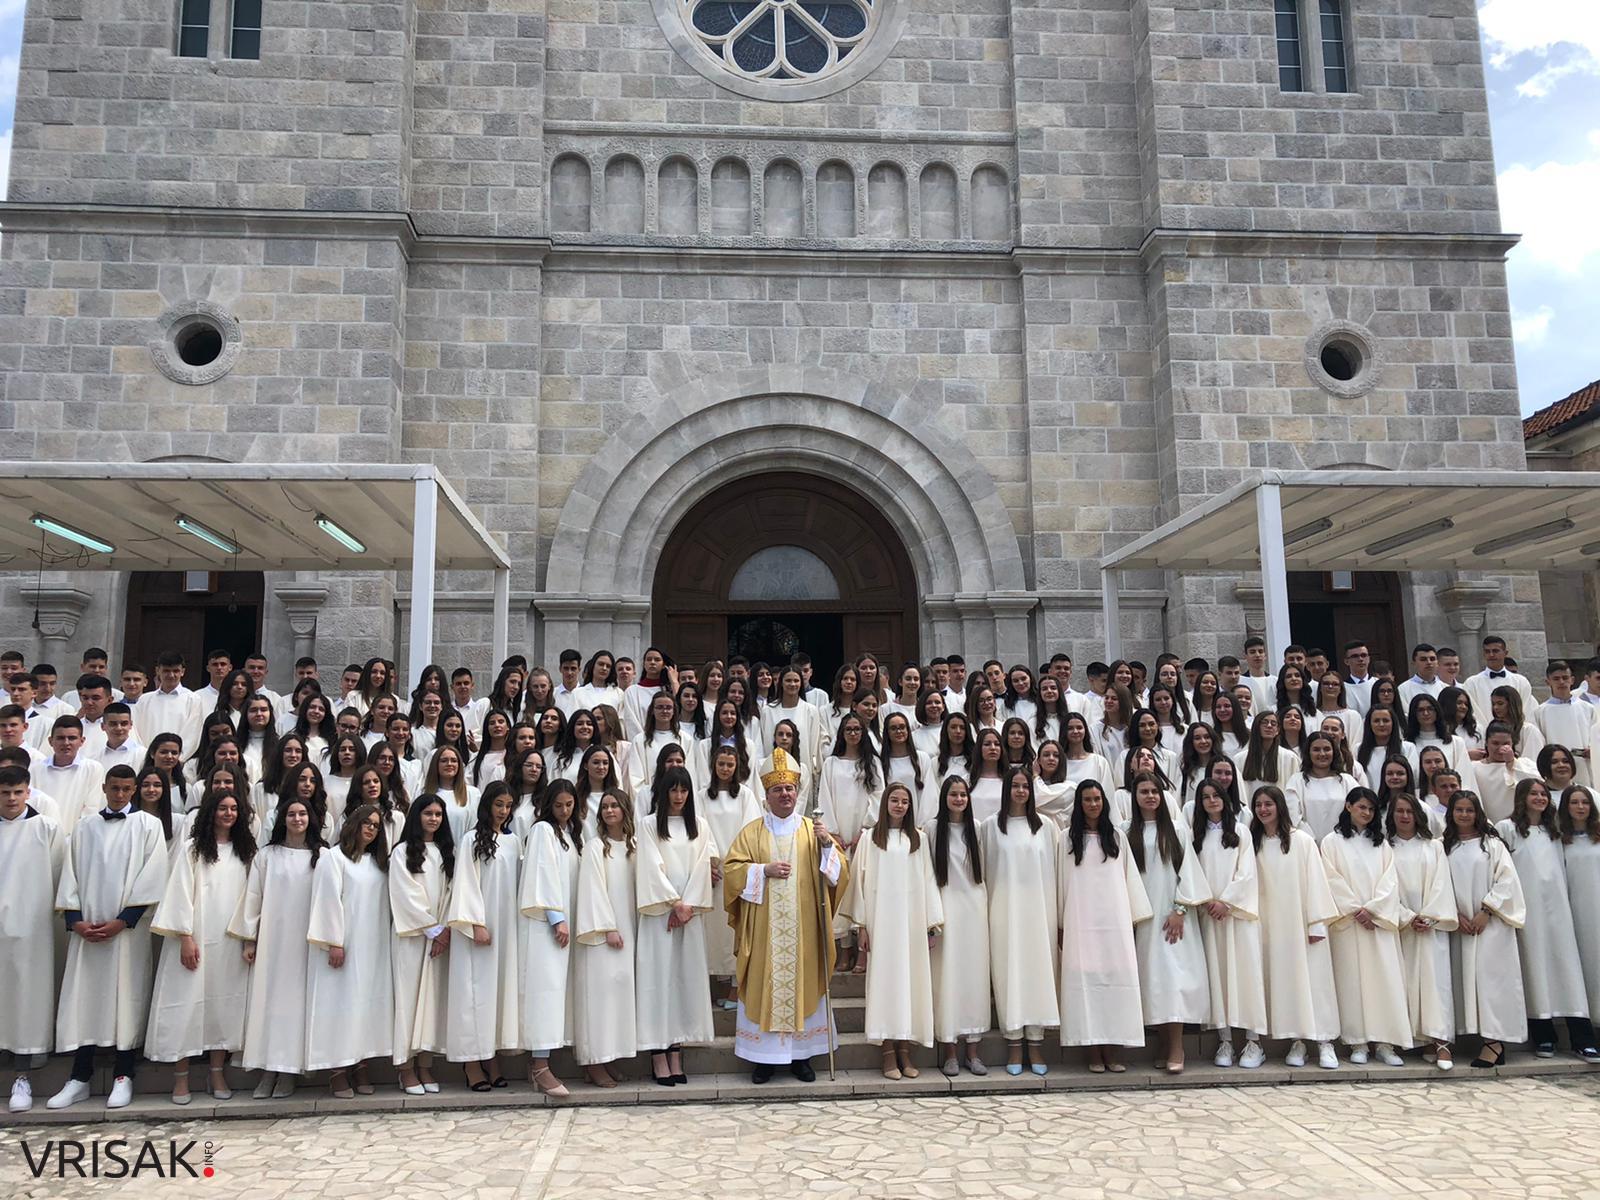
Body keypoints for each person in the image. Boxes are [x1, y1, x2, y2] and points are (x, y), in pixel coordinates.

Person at [722, 747, 849, 1084]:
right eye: (777, 789)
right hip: (765, 931)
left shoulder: (813, 829)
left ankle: (801, 1058)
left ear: (797, 792)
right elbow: (732, 870)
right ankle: (762, 1059)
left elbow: (838, 874)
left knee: (803, 984)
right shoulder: (752, 832)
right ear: (766, 795)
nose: (784, 794)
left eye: (789, 789)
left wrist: (826, 846)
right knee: (766, 984)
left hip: (804, 928)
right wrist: (762, 870)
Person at [47, 765, 169, 1110]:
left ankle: (123, 1074)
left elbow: (154, 875)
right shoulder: (85, 827)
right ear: (104, 787)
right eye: (114, 788)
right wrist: (76, 920)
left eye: (126, 789)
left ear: (135, 790)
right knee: (85, 999)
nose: (119, 795)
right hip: (87, 930)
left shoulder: (148, 825)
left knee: (125, 1000)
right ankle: (79, 1077)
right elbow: (69, 872)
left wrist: (123, 921)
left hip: (126, 932)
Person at [145, 787, 255, 1103]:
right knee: (186, 1006)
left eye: (234, 808)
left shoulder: (246, 852)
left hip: (230, 941)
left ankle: (216, 1072)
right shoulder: (193, 849)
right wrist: (185, 937)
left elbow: (252, 899)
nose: (229, 813)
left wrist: (249, 938)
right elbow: (179, 893)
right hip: (194, 938)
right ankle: (181, 1078)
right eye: (223, 808)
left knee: (224, 1005)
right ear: (211, 811)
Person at [845, 781, 942, 1080]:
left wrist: (930, 925)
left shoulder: (919, 840)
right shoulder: (871, 839)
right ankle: (887, 1050)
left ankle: (905, 1049)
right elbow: (858, 883)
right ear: (885, 803)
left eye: (905, 801)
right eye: (895, 800)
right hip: (881, 923)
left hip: (911, 923)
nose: (900, 805)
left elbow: (927, 881)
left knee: (909, 986)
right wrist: (860, 926)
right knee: (886, 985)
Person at [1496, 779, 1597, 1058]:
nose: (1540, 798)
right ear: (1521, 798)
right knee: (1535, 971)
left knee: (1568, 971)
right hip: (1527, 910)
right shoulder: (1507, 829)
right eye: (1534, 794)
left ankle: (1581, 1036)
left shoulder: (1556, 830)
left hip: (1560, 911)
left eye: (1543, 794)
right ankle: (1544, 1035)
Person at [1057, 779, 1152, 1073]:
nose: (1093, 804)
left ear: (1104, 802)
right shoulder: (1066, 839)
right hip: (1080, 921)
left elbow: (1128, 879)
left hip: (1114, 923)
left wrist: (1132, 919)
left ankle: (1113, 1049)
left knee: (1115, 984)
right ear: (1079, 804)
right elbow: (1060, 882)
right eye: (1087, 799)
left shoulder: (1117, 838)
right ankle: (1092, 1051)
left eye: (1097, 799)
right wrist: (1060, 922)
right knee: (1086, 984)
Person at [1319, 787, 1412, 1066]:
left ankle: (1385, 1043)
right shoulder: (1331, 842)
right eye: (1361, 807)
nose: (1366, 813)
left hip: (1378, 922)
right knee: (1352, 982)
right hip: (1347, 923)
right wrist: (1353, 909)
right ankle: (1357, 1042)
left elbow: (1390, 880)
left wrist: (1373, 909)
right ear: (1348, 807)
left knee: (1384, 980)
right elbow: (1330, 878)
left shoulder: (1380, 844)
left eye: (1371, 809)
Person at [305, 802, 393, 1097]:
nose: (371, 829)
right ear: (353, 824)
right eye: (366, 823)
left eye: (376, 826)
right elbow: (328, 900)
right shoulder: (334, 858)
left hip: (374, 943)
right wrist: (334, 942)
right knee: (340, 1005)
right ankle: (337, 1070)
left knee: (365, 1005)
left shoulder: (379, 862)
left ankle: (361, 1063)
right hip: (345, 943)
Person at [637, 764, 717, 1085]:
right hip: (660, 915)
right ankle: (658, 1053)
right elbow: (649, 866)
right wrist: (673, 902)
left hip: (689, 916)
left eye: (684, 790)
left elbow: (703, 865)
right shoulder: (647, 826)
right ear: (664, 792)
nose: (680, 795)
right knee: (659, 980)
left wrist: (688, 906)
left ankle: (676, 1050)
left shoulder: (698, 825)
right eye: (674, 789)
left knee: (684, 980)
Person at [1127, 771, 1210, 1074]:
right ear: (1134, 797)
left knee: (1174, 980)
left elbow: (1188, 871)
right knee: (1155, 982)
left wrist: (1180, 910)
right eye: (1143, 791)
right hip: (1143, 917)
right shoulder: (1126, 831)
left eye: (1154, 791)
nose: (1150, 796)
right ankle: (1163, 1044)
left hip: (1172, 917)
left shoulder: (1175, 828)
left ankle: (1177, 1047)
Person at [980, 767, 1060, 1076]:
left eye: (1026, 786)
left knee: (1038, 974)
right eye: (1015, 786)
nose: (1021, 791)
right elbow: (985, 873)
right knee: (1009, 974)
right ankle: (1014, 1042)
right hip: (1004, 912)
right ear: (1006, 790)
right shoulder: (990, 827)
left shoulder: (1047, 827)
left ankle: (1036, 1043)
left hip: (1041, 913)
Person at [446, 783, 523, 1091]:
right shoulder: (470, 840)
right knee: (474, 993)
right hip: (479, 927)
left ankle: (491, 1056)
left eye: (508, 806)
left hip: (506, 927)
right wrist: (476, 923)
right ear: (488, 805)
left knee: (497, 993)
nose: (503, 811)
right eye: (499, 805)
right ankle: (471, 1062)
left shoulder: (514, 841)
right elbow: (465, 882)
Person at [1444, 790, 1527, 1067]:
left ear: (1477, 813)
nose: (1464, 815)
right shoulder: (1444, 845)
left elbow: (1507, 880)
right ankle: (1482, 1038)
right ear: (1451, 813)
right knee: (1468, 981)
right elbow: (1439, 882)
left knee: (1493, 983)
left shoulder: (1491, 845)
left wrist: (1487, 910)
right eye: (1459, 810)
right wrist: (1454, 914)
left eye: (1469, 810)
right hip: (1461, 925)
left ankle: (1494, 1041)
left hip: (1490, 925)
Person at [0, 764, 65, 1112]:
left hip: (33, 927)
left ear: (28, 791)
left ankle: (22, 1077)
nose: (11, 799)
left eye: (17, 792)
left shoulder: (45, 828)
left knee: (27, 997)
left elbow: (58, 877)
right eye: (4, 793)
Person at [1192, 778, 1267, 1068]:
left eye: (1216, 795)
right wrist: (1208, 902)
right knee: (1218, 977)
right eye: (1205, 797)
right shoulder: (1195, 835)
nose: (1212, 801)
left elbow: (1247, 873)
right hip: (1210, 917)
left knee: (1246, 976)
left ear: (1225, 798)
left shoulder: (1241, 832)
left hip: (1237, 916)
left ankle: (1253, 1042)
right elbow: (1191, 871)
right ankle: (1224, 1040)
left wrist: (1227, 902)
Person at [518, 779, 582, 1097]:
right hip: (547, 924)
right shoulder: (543, 830)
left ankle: (547, 1061)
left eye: (569, 805)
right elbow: (541, 874)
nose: (564, 810)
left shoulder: (570, 834)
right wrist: (556, 918)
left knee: (558, 992)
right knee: (546, 991)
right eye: (558, 805)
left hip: (567, 921)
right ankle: (539, 1065)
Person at [1386, 792, 1458, 1068]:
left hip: (1430, 925)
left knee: (1434, 983)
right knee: (1406, 982)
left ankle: (1440, 1042)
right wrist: (1406, 916)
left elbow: (1441, 884)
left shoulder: (1434, 847)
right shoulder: (1386, 848)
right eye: (1399, 811)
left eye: (1409, 811)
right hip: (1403, 926)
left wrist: (1428, 916)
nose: (1404, 816)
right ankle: (1415, 1038)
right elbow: (1386, 887)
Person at [389, 794, 454, 1096]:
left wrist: (444, 929)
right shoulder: (402, 852)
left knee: (431, 1001)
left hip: (439, 938)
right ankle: (405, 1067)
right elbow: (405, 894)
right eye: (428, 813)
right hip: (412, 938)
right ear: (417, 816)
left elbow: (451, 892)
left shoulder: (445, 851)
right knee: (408, 1000)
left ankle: (425, 1064)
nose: (433, 819)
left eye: (438, 814)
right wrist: (433, 929)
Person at [926, 776, 990, 1075]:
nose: (959, 799)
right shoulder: (931, 829)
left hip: (974, 909)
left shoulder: (977, 829)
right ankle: (950, 1050)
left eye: (963, 794)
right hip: (945, 910)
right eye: (953, 794)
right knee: (947, 980)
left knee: (973, 982)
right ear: (944, 797)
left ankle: (973, 1051)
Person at [575, 790, 639, 1087]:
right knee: (599, 998)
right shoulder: (594, 847)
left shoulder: (635, 846)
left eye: (615, 805)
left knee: (618, 998)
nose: (609, 810)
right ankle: (593, 1061)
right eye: (605, 807)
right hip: (603, 935)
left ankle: (609, 1057)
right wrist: (608, 927)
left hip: (632, 929)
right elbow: (592, 889)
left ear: (625, 810)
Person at [1537, 661, 1598, 787]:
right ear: (1548, 682)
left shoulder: (1587, 708)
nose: (1561, 682)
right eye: (1556, 678)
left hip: (1584, 767)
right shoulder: (1540, 712)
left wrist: (1593, 749)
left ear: (1572, 680)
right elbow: (1539, 742)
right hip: (1555, 771)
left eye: (1565, 678)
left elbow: (1596, 736)